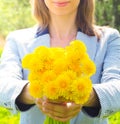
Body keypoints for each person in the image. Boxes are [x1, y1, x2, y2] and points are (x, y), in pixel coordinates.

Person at [0, 0, 120, 124]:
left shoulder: (109, 39)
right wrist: (36, 93)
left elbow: (117, 87)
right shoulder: (17, 39)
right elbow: (3, 85)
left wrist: (85, 95)